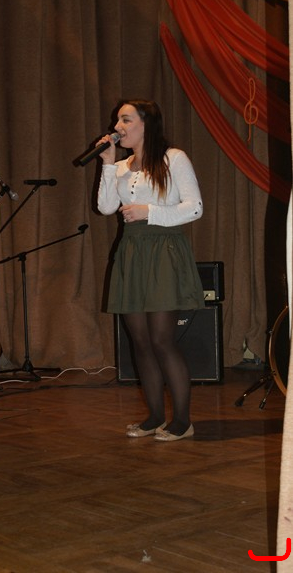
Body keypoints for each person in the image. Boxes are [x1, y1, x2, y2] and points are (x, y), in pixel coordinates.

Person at [97, 99, 204, 442]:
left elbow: (195, 208)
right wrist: (108, 165)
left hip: (163, 250)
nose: (118, 126)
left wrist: (150, 211)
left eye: (125, 119)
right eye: (118, 120)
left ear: (147, 124)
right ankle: (155, 416)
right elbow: (106, 207)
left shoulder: (174, 158)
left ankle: (182, 421)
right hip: (132, 251)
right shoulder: (121, 166)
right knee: (140, 341)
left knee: (161, 340)